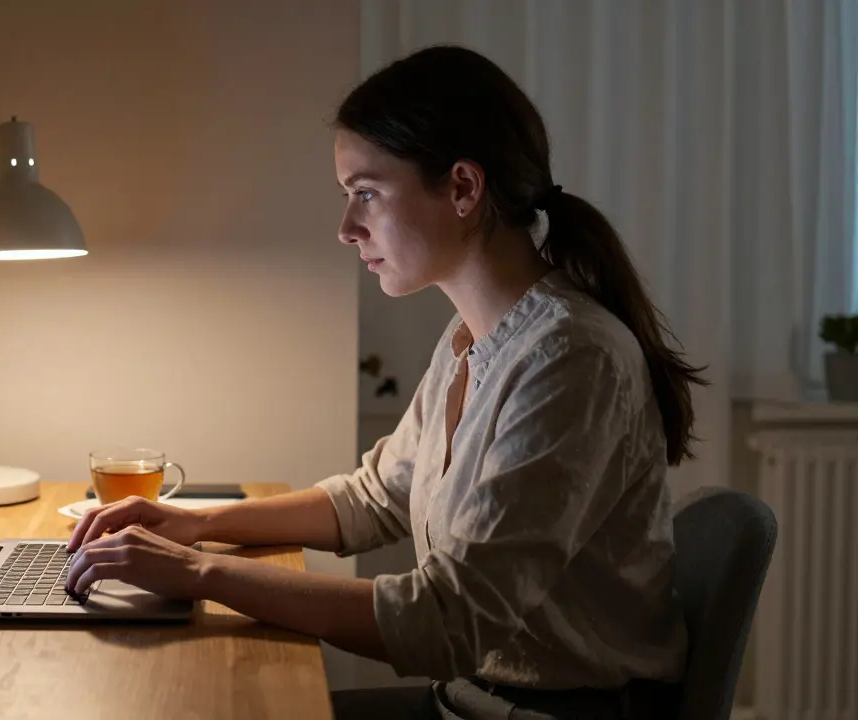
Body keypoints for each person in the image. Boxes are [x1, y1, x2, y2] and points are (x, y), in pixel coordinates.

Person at [65, 45, 702, 719]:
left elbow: (451, 622)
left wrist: (201, 574)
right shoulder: (469, 341)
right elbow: (375, 498)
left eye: (365, 193)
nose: (346, 228)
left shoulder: (572, 358)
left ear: (462, 188)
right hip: (472, 701)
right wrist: (194, 524)